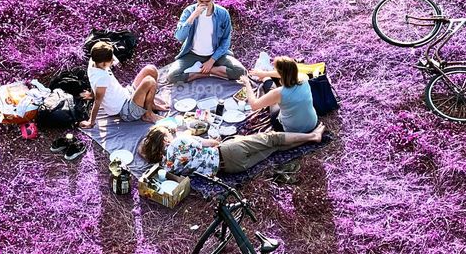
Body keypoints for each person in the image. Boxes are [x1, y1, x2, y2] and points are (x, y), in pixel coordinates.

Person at [139, 123, 324, 176]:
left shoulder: (166, 167)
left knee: (275, 149)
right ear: (165, 139)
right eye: (168, 133)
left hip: (232, 169)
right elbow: (211, 143)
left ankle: (311, 138)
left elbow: (142, 151)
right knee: (272, 139)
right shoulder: (179, 142)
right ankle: (311, 136)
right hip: (227, 151)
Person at [163, 0, 247, 84]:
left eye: (208, 1)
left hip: (216, 54)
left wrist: (211, 61)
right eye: (201, 1)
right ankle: (203, 72)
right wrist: (193, 16)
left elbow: (226, 40)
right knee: (172, 76)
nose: (204, 4)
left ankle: (206, 71)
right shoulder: (189, 11)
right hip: (192, 54)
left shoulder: (222, 13)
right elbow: (179, 36)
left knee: (241, 72)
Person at [80, 41, 166, 128]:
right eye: (111, 60)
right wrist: (91, 122)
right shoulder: (102, 78)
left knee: (151, 69)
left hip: (126, 94)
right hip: (127, 111)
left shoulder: (93, 61)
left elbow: (93, 82)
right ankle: (148, 114)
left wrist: (91, 94)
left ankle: (151, 105)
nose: (113, 60)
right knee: (150, 81)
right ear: (103, 63)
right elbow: (97, 101)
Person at [243, 56, 318, 132]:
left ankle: (267, 80)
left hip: (292, 130)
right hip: (312, 124)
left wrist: (247, 83)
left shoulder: (278, 93)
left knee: (272, 95)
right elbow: (285, 73)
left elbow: (254, 105)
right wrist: (264, 74)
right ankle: (266, 79)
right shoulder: (304, 77)